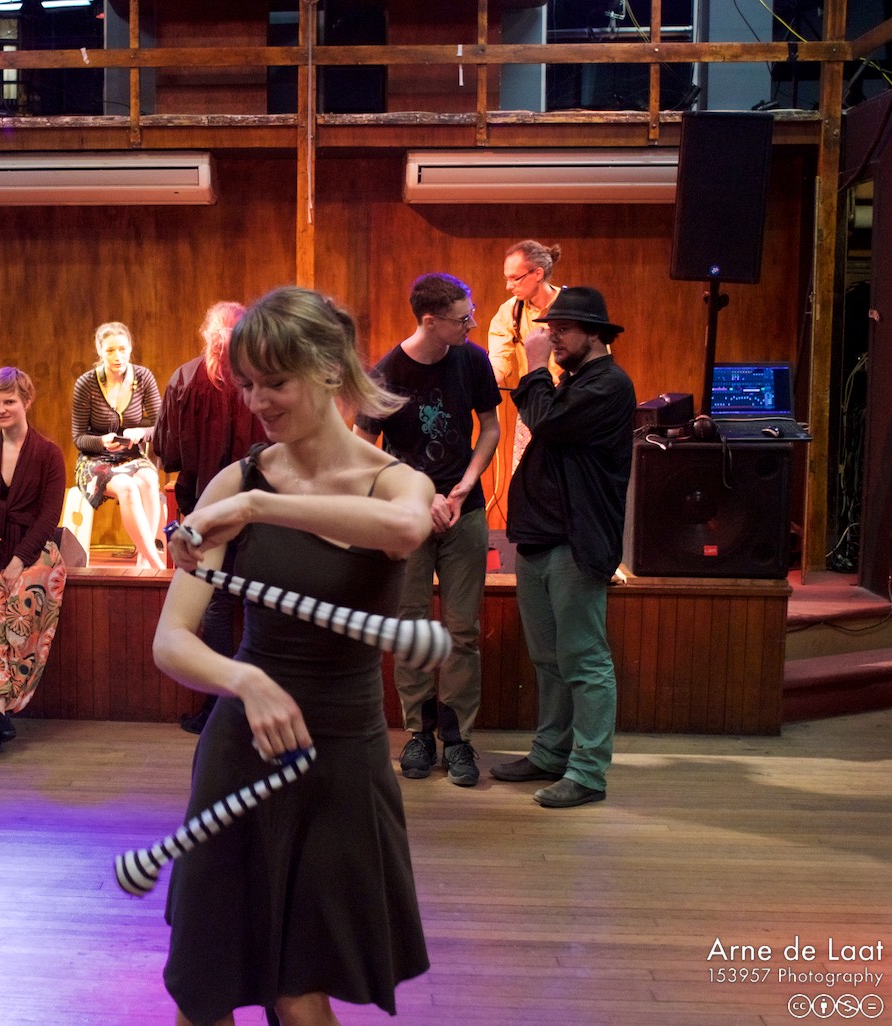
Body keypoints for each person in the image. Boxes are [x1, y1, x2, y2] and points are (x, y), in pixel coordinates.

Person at [154, 286, 435, 1026]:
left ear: (329, 369)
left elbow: (404, 531)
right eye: (246, 384)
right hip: (241, 750)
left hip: (341, 754)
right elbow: (171, 639)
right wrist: (243, 680)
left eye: (273, 382)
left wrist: (259, 507)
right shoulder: (235, 480)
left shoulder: (394, 482)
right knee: (205, 987)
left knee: (301, 994)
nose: (256, 402)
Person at [490, 286, 635, 809]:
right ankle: (551, 754)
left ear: (595, 334)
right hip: (539, 540)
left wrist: (532, 368)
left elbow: (548, 423)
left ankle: (588, 773)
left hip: (575, 543)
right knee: (549, 659)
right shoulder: (573, 381)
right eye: (550, 329)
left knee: (584, 660)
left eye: (563, 329)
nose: (552, 337)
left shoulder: (609, 384)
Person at [355, 273, 500, 788]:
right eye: (463, 318)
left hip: (466, 511)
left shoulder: (473, 359)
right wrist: (419, 494)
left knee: (463, 632)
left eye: (471, 313)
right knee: (412, 626)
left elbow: (491, 427)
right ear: (430, 321)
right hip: (408, 515)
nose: (472, 324)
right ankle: (419, 733)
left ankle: (457, 738)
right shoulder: (387, 373)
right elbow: (362, 447)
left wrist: (464, 486)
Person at [154, 300, 264, 734]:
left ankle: (219, 706)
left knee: (217, 605)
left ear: (206, 334)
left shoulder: (185, 379)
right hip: (260, 508)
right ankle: (253, 703)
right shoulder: (263, 380)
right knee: (257, 601)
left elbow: (170, 453)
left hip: (206, 510)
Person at [0, 366, 67, 758]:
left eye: (9, 401)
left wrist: (21, 560)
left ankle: (2, 710)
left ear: (27, 402)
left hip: (33, 548)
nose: (2, 409)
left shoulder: (49, 453)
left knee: (20, 610)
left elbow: (49, 516)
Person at [70, 321, 166, 569]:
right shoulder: (86, 384)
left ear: (130, 348)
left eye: (122, 349)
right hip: (94, 459)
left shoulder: (143, 377)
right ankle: (156, 564)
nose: (117, 356)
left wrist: (140, 433)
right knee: (128, 487)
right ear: (99, 351)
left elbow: (160, 425)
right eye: (110, 350)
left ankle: (144, 560)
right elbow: (79, 438)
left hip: (130, 455)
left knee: (150, 480)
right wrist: (101, 441)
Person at [487, 240, 563, 471]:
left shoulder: (571, 305)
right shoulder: (509, 311)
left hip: (570, 404)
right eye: (506, 278)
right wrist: (484, 382)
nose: (509, 286)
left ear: (537, 273)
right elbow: (498, 360)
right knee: (527, 474)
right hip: (533, 404)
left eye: (515, 278)